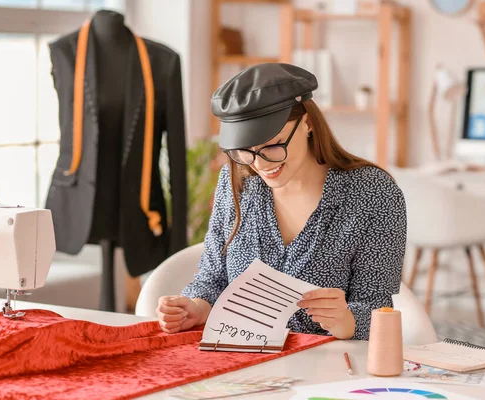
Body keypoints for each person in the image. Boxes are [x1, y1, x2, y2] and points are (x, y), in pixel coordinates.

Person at [156, 63, 407, 340]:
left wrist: (346, 320)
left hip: (328, 367)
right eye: (244, 151)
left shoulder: (372, 193)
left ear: (308, 123)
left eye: (273, 145)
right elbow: (213, 277)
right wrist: (196, 306)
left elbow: (377, 308)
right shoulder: (237, 179)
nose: (261, 164)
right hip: (241, 361)